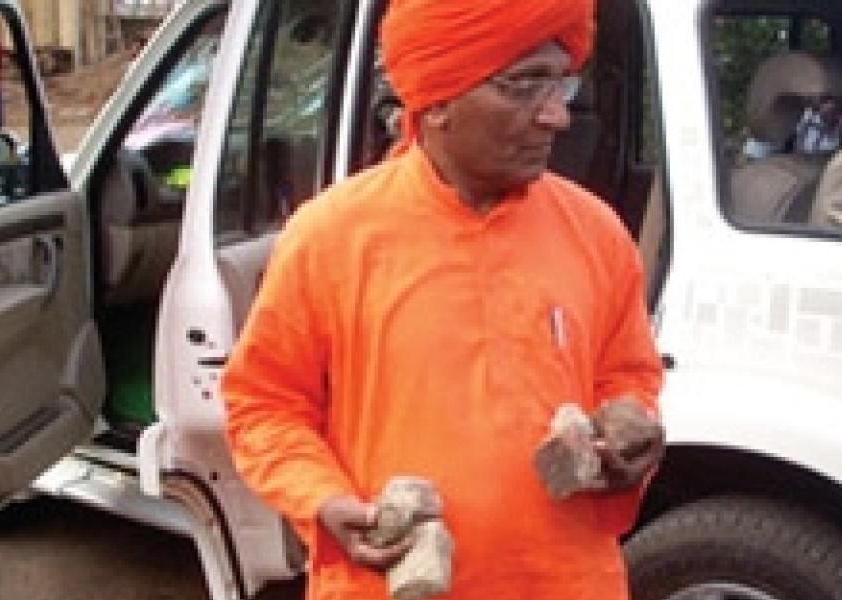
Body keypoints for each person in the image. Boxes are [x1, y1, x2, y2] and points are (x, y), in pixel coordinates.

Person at [221, 0, 665, 599]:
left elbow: (630, 378)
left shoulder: (597, 232)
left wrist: (630, 439)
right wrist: (323, 500)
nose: (557, 114)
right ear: (438, 102)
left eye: (562, 81)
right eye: (525, 84)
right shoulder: (331, 236)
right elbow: (263, 405)